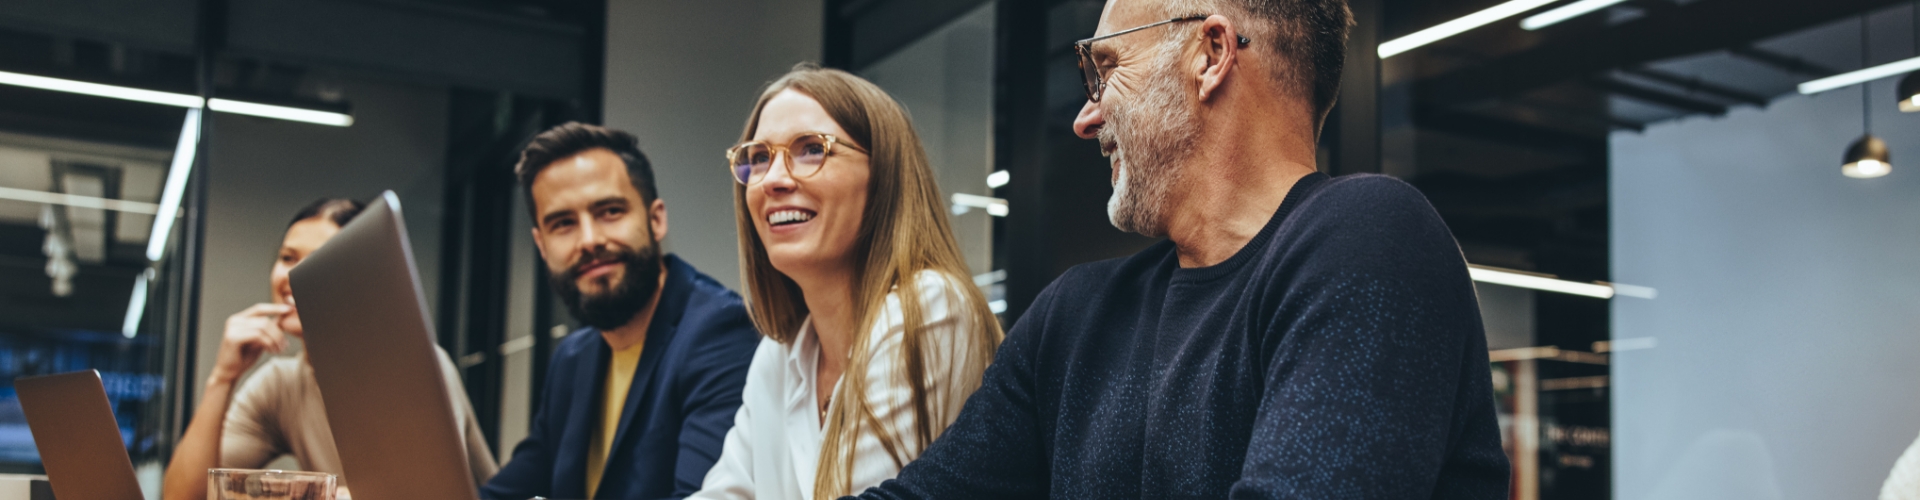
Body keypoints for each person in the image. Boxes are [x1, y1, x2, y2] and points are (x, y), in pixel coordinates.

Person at [849, 0, 1510, 498]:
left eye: (1107, 68)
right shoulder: (1074, 317)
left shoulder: (1371, 238)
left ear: (1211, 53)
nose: (1086, 117)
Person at [688, 65, 1004, 500]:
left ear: (884, 177)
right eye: (759, 157)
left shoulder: (931, 308)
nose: (773, 179)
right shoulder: (780, 354)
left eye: (811, 149)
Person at [482, 123, 762, 500]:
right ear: (542, 245)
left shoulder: (722, 333)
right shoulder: (571, 359)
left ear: (656, 219)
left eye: (610, 211)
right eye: (563, 224)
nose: (589, 240)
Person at [162, 198, 497, 500]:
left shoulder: (416, 366)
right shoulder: (281, 384)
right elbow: (181, 497)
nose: (292, 277)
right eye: (287, 258)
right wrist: (222, 378)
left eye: (316, 261)